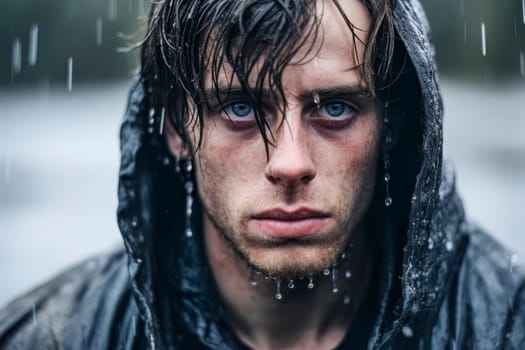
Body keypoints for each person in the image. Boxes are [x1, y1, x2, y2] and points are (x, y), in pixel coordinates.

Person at [1, 0, 524, 349]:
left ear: (392, 124)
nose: (290, 162)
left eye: (336, 108)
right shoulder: (55, 335)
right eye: (241, 109)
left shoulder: (503, 324)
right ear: (176, 127)